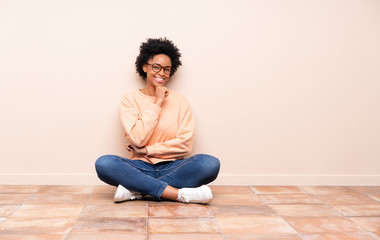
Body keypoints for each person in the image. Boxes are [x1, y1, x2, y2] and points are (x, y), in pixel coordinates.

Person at [95, 38, 220, 204]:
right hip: (139, 168)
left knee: (209, 163)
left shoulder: (181, 101)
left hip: (174, 167)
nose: (162, 73)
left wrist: (146, 151)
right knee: (104, 163)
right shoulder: (130, 99)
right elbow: (138, 138)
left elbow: (185, 145)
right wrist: (158, 102)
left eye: (167, 69)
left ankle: (138, 190)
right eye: (156, 67)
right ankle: (178, 194)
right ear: (145, 66)